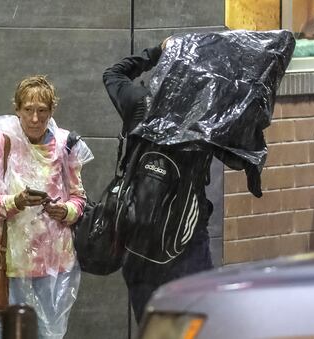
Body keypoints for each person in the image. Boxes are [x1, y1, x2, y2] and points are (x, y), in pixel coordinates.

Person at [0, 75, 93, 338]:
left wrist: (65, 210)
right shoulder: (1, 142)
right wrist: (16, 202)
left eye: (42, 111)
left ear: (52, 111)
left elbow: (79, 199)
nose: (35, 119)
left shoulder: (67, 145)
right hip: (10, 258)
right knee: (7, 328)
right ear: (17, 109)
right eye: (28, 110)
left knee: (48, 330)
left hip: (53, 257)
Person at [103, 41, 214, 323]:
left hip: (138, 234)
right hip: (186, 241)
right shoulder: (205, 115)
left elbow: (113, 74)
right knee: (194, 324)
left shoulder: (138, 101)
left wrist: (155, 51)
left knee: (152, 325)